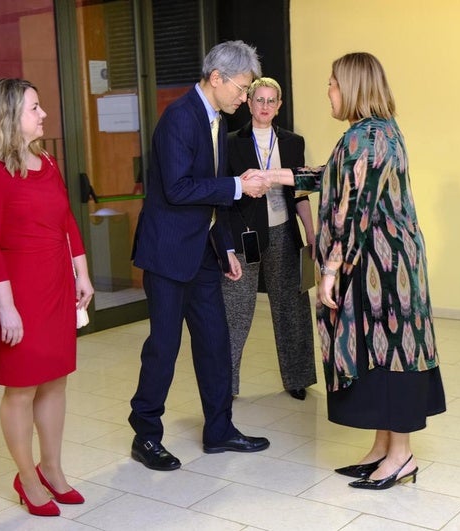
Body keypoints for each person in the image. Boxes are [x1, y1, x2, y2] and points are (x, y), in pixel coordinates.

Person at [245, 52, 446, 490]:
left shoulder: (366, 138)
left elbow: (350, 212)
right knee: (379, 354)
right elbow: (336, 178)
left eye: (333, 84)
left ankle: (401, 456)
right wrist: (276, 175)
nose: (329, 92)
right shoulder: (373, 133)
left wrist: (329, 273)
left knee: (393, 356)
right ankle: (382, 448)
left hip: (381, 269)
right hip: (383, 263)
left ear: (353, 87)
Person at [128, 40, 272, 472]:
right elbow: (178, 188)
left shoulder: (215, 121)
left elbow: (213, 197)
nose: (245, 99)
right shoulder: (178, 118)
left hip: (203, 253)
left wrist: (226, 246)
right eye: (243, 89)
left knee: (214, 342)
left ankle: (219, 429)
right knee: (164, 347)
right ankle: (146, 435)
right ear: (217, 79)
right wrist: (237, 186)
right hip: (168, 255)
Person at [0, 78, 93, 516]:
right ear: (7, 118)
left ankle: (52, 470)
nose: (42, 115)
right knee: (21, 388)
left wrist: (83, 273)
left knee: (55, 379)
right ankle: (26, 477)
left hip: (56, 285)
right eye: (34, 108)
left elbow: (67, 222)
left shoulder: (49, 163)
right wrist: (6, 309)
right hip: (17, 295)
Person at [224, 77, 316, 400]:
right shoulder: (231, 142)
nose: (264, 106)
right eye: (258, 100)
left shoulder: (293, 143)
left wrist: (310, 232)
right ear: (249, 104)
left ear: (279, 106)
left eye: (270, 101)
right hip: (245, 234)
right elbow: (226, 194)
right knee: (235, 310)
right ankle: (226, 385)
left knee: (291, 306)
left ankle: (297, 378)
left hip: (283, 231)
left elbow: (301, 192)